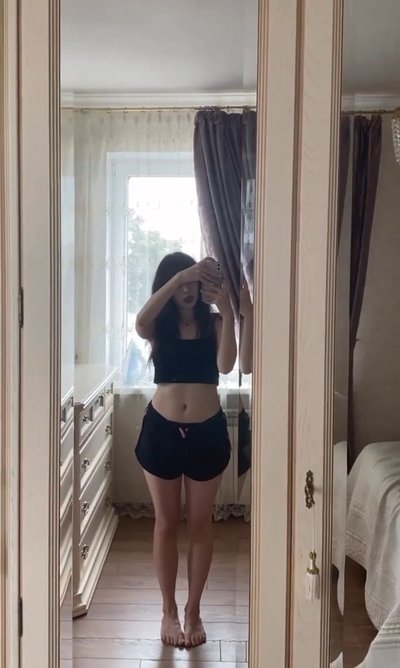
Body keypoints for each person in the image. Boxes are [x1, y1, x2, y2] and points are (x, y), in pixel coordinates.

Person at [135, 251, 237, 648]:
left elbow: (226, 366)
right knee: (165, 522)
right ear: (171, 285)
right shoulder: (159, 326)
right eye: (181, 283)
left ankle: (193, 610)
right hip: (161, 432)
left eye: (194, 282)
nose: (188, 290)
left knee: (199, 524)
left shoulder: (215, 323)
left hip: (206, 434)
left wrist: (229, 311)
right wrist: (180, 277)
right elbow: (140, 322)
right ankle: (168, 610)